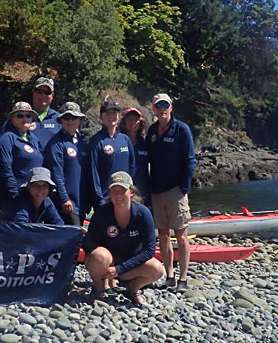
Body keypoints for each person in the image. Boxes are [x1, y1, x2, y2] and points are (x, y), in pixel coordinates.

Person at [83, 171, 163, 305]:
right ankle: (98, 288)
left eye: (122, 191)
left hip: (130, 264)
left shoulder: (143, 214)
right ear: (109, 193)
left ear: (131, 192)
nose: (118, 195)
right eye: (114, 191)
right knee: (99, 256)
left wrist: (120, 269)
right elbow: (89, 244)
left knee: (157, 269)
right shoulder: (102, 213)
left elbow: (149, 250)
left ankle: (132, 289)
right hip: (107, 265)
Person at [146, 93, 197, 290]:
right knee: (163, 235)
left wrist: (184, 187)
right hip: (156, 191)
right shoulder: (151, 131)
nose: (162, 109)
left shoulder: (181, 130)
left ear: (171, 107)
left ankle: (183, 278)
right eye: (158, 106)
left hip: (176, 191)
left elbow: (190, 160)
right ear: (154, 109)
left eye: (165, 105)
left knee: (181, 235)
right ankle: (170, 275)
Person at [85, 100, 135, 218]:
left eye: (114, 113)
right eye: (108, 113)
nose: (111, 117)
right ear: (101, 116)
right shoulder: (96, 141)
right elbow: (93, 172)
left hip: (124, 195)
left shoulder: (125, 139)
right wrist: (99, 198)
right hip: (105, 198)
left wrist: (128, 190)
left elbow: (132, 165)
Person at [43, 102, 88, 225]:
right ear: (61, 120)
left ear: (79, 120)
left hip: (82, 201)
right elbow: (57, 174)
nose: (70, 121)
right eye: (66, 118)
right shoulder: (56, 144)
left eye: (74, 117)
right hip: (67, 202)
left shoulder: (83, 142)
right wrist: (65, 198)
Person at [0, 102, 43, 206]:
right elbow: (5, 168)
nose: (25, 119)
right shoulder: (6, 138)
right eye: (20, 116)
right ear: (12, 119)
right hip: (15, 196)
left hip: (34, 195)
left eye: (28, 116)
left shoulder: (34, 139)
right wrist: (14, 193)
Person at [0, 167, 64, 225]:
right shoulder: (19, 202)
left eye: (44, 186)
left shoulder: (47, 201)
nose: (40, 190)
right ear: (28, 188)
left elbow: (59, 225)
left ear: (49, 189)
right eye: (36, 185)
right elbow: (22, 230)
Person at [119, 107, 150, 207]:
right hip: (124, 190)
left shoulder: (146, 143)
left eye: (135, 119)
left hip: (143, 191)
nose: (132, 122)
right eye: (129, 119)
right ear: (124, 121)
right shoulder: (119, 141)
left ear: (140, 122)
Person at [28, 77, 61, 152]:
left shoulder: (59, 119)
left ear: (52, 95)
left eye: (47, 93)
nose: (43, 96)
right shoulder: (22, 116)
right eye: (39, 91)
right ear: (33, 91)